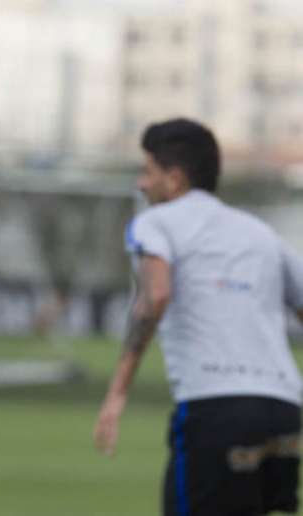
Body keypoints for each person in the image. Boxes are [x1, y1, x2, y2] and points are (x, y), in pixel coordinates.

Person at [94, 118, 303, 515]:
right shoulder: (259, 231)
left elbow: (155, 296)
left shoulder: (154, 222)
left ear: (174, 178)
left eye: (147, 172)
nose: (141, 183)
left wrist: (117, 393)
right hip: (283, 410)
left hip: (217, 407)